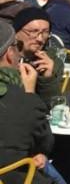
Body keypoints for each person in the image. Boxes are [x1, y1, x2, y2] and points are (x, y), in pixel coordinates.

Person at [0, 20, 54, 184]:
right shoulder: (18, 97)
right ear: (9, 53)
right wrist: (29, 94)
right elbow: (45, 143)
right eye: (17, 45)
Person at [13, 8, 64, 108]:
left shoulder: (51, 61)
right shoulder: (5, 58)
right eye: (33, 31)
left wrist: (47, 78)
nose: (40, 39)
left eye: (45, 32)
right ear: (16, 32)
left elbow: (54, 107)